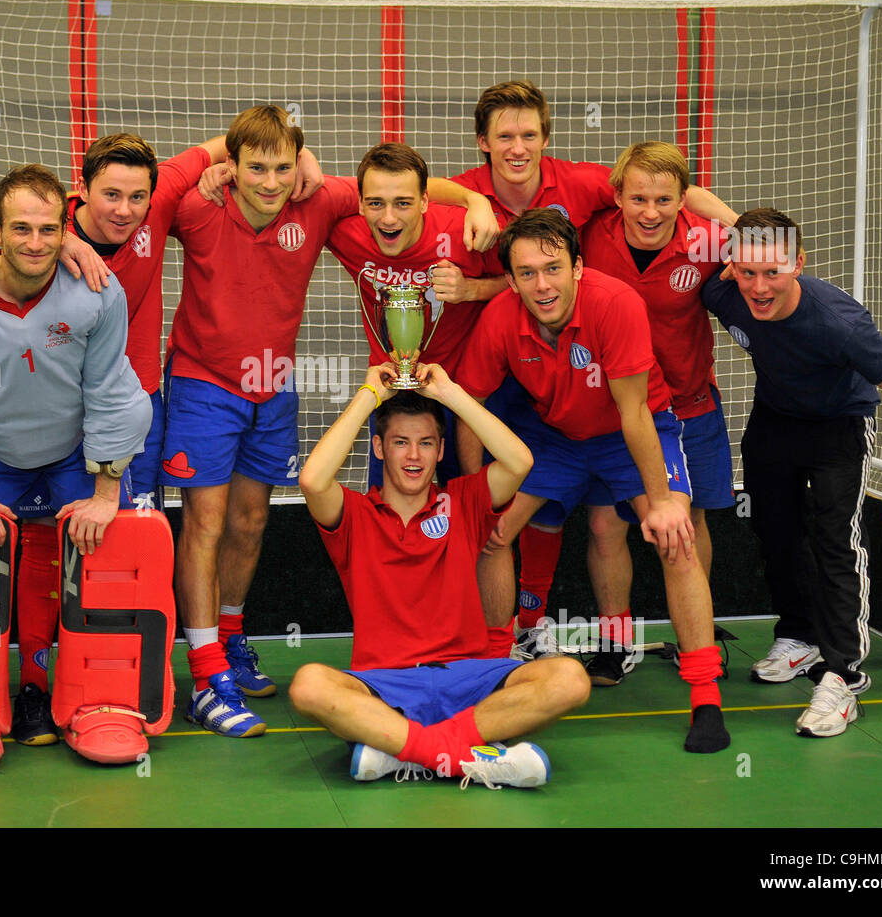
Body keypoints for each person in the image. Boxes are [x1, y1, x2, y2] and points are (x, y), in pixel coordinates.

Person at [166, 108, 497, 738]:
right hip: (203, 384)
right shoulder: (197, 206)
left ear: (300, 168)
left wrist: (478, 199)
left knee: (252, 519)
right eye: (254, 167)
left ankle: (231, 639)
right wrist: (211, 158)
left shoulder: (320, 200)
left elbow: (407, 189)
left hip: (274, 385)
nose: (269, 181)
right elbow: (150, 189)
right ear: (231, 166)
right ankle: (206, 677)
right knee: (204, 522)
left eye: (282, 166)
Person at [451, 81, 738, 663]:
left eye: (529, 134)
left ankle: (698, 655)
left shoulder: (691, 236)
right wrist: (477, 222)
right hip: (564, 404)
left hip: (671, 402)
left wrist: (746, 234)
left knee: (684, 523)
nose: (517, 146)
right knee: (586, 526)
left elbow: (668, 189)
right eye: (505, 136)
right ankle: (532, 641)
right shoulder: (572, 243)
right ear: (484, 142)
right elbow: (411, 187)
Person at [456, 208, 730, 753]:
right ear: (509, 281)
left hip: (633, 429)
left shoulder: (616, 303)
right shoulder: (501, 319)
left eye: (554, 268)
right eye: (527, 273)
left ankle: (705, 697)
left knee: (674, 539)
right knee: (493, 533)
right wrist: (474, 494)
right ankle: (490, 669)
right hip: (556, 439)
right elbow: (471, 407)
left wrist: (660, 502)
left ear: (578, 267)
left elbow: (634, 416)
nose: (543, 283)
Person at [0, 164, 151, 753]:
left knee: (98, 558)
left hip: (72, 452)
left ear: (64, 230)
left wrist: (104, 492)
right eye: (21, 229)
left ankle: (61, 695)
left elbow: (114, 392)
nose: (37, 243)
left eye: (49, 230)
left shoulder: (97, 292)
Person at [290, 362, 590, 788]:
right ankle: (463, 755)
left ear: (440, 452)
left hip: (468, 678)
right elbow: (313, 480)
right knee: (308, 685)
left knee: (569, 679)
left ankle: (405, 752)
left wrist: (449, 394)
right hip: (384, 685)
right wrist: (369, 396)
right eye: (400, 443)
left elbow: (520, 460)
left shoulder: (463, 502)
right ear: (378, 448)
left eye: (426, 443)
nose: (414, 456)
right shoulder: (355, 514)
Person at [701, 208, 882, 736]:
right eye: (748, 270)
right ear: (731, 265)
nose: (759, 287)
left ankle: (843, 677)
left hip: (837, 429)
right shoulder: (724, 293)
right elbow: (688, 193)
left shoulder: (837, 322)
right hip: (775, 421)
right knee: (773, 530)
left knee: (834, 541)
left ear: (798, 264)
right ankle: (800, 637)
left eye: (773, 272)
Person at [565, 141, 736, 684]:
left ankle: (697, 641)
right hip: (611, 411)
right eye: (638, 197)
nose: (650, 211)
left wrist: (735, 226)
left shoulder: (708, 240)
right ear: (616, 196)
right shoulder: (589, 236)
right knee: (604, 523)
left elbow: (780, 252)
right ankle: (616, 645)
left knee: (689, 524)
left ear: (685, 200)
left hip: (688, 405)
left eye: (664, 199)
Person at [65, 131, 232, 511]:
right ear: (83, 188)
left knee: (137, 525)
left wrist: (302, 154)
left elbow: (233, 140)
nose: (125, 210)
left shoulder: (164, 194)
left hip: (138, 397)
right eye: (111, 195)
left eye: (137, 197)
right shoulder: (44, 231)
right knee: (63, 524)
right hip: (62, 404)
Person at [326, 142, 504, 488]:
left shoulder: (462, 230)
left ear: (425, 201)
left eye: (403, 203)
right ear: (360, 203)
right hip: (392, 386)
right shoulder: (345, 231)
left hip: (461, 390)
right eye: (375, 203)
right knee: (387, 511)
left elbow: (522, 284)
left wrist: (471, 289)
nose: (389, 218)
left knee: (472, 501)